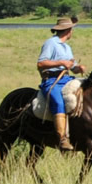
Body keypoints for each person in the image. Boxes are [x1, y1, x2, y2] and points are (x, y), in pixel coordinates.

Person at [37, 16, 87, 150]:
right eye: (71, 29)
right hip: (52, 80)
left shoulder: (67, 47)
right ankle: (62, 139)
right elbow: (41, 63)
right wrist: (61, 62)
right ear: (68, 30)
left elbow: (72, 67)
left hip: (66, 78)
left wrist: (78, 68)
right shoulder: (51, 43)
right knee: (59, 102)